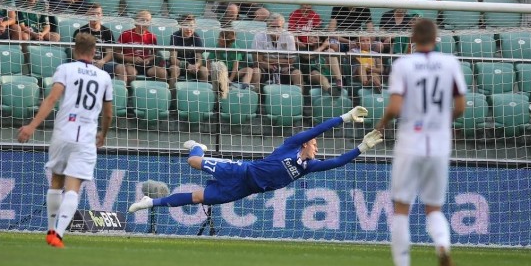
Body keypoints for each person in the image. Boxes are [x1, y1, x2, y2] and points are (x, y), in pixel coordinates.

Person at [128, 107, 382, 211]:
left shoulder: (308, 167)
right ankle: (197, 146)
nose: (317, 148)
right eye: (315, 144)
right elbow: (317, 129)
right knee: (193, 161)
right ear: (306, 143)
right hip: (241, 171)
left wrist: (362, 146)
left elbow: (337, 162)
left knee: (198, 198)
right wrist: (346, 118)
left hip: (244, 189)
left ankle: (151, 202)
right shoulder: (292, 145)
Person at [375, 18, 467, 266]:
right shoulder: (450, 63)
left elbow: (394, 107)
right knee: (434, 208)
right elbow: (461, 105)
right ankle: (442, 246)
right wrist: (440, 120)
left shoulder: (403, 65)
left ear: (412, 39)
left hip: (410, 140)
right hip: (439, 142)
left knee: (401, 209)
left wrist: (380, 126)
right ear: (435, 38)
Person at [17, 33, 114, 248]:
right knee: (73, 187)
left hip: (63, 132)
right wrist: (103, 135)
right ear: (94, 51)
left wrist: (32, 126)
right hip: (86, 136)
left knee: (56, 181)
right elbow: (108, 114)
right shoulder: (104, 77)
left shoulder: (65, 70)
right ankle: (58, 235)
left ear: (74, 49)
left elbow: (52, 99)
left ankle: (51, 228)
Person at [289, 0, 342, 94]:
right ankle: (330, 89)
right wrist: (298, 42)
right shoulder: (294, 15)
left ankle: (339, 80)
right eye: (304, 2)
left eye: (309, 2)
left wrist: (320, 42)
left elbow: (318, 32)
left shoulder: (315, 17)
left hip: (316, 51)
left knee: (331, 49)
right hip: (303, 48)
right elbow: (291, 33)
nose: (306, 5)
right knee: (318, 75)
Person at [74, 4, 124, 81]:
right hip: (85, 62)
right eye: (92, 14)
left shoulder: (107, 32)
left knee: (120, 68)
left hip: (103, 63)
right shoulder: (80, 32)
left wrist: (102, 61)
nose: (95, 16)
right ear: (87, 15)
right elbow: (75, 52)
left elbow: (110, 53)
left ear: (101, 15)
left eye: (98, 14)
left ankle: (122, 91)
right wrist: (88, 61)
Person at [254, 12, 302, 90]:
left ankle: (298, 99)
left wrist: (268, 59)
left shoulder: (289, 36)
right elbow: (257, 60)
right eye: (273, 26)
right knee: (256, 72)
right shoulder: (259, 36)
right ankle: (255, 99)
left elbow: (291, 61)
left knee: (297, 74)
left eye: (278, 27)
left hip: (284, 68)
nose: (276, 29)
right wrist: (270, 66)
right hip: (264, 67)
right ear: (267, 27)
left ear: (282, 27)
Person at [117, 10, 161, 84]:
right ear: (135, 22)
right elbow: (116, 54)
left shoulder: (152, 37)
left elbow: (155, 54)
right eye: (142, 20)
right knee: (131, 73)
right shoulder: (126, 34)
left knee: (162, 72)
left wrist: (148, 59)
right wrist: (132, 59)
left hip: (146, 65)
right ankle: (130, 93)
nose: (145, 23)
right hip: (130, 64)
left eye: (148, 21)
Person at [169, 14, 205, 83]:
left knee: (204, 71)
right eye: (185, 26)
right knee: (175, 69)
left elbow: (199, 59)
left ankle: (203, 92)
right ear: (180, 26)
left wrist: (196, 65)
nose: (188, 29)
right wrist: (187, 65)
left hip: (193, 66)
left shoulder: (196, 37)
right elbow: (173, 59)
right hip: (178, 65)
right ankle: (172, 92)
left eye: (191, 26)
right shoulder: (175, 36)